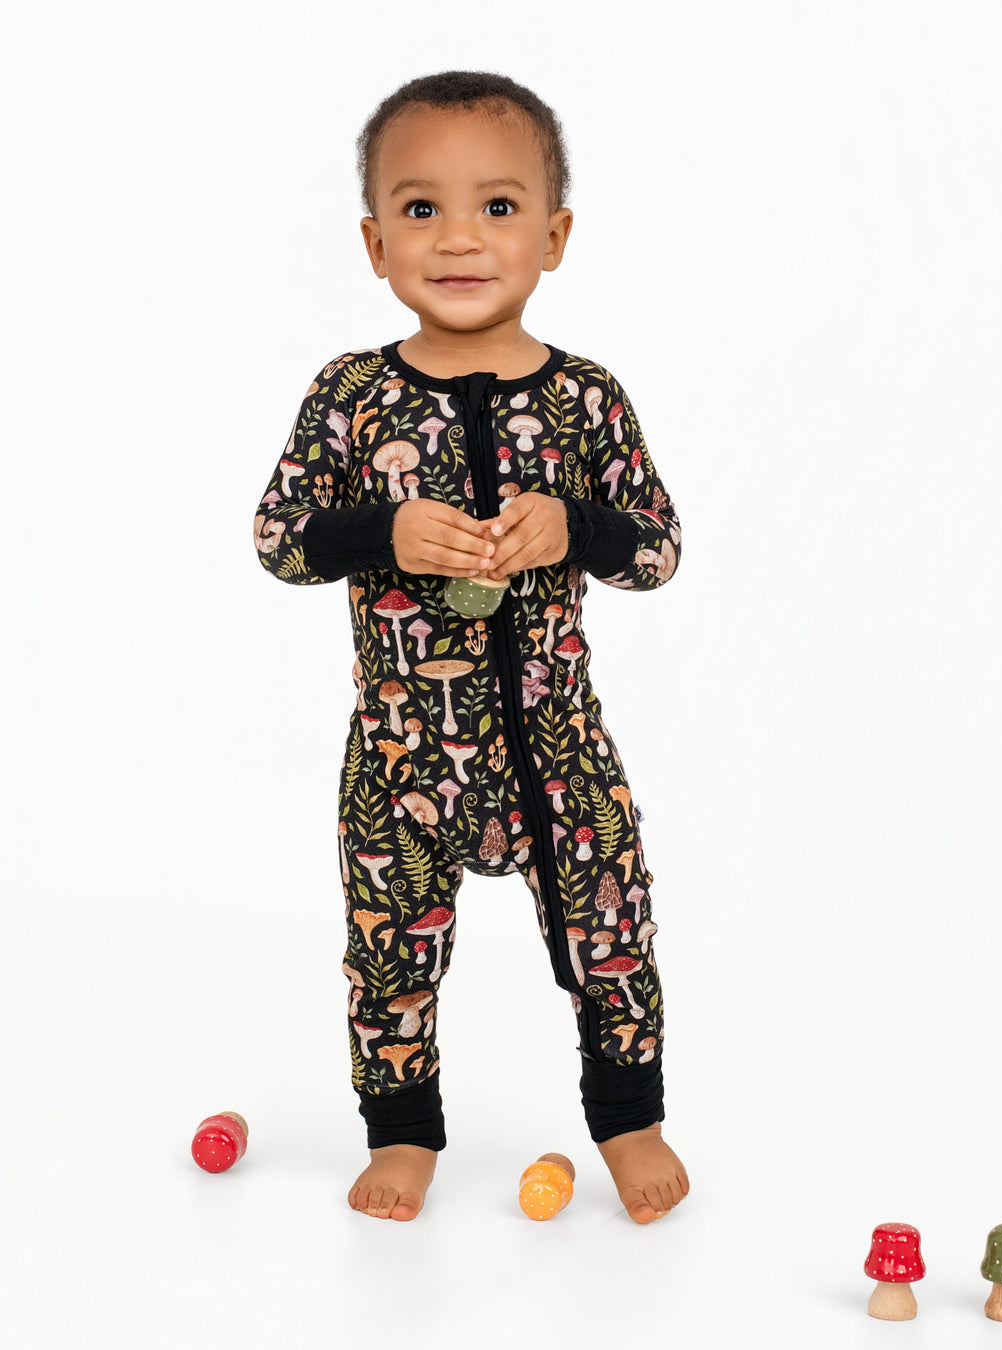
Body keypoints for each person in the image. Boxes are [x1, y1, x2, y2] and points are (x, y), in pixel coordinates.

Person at [253, 70, 689, 1225]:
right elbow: (280, 538)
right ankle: (402, 1136)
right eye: (419, 209)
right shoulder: (349, 394)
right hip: (403, 760)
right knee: (388, 953)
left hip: (560, 755)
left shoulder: (589, 399)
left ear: (554, 235)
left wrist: (577, 526)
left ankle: (629, 1118)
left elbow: (658, 549)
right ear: (373, 240)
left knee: (612, 933)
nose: (458, 238)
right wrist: (381, 529)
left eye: (497, 209)